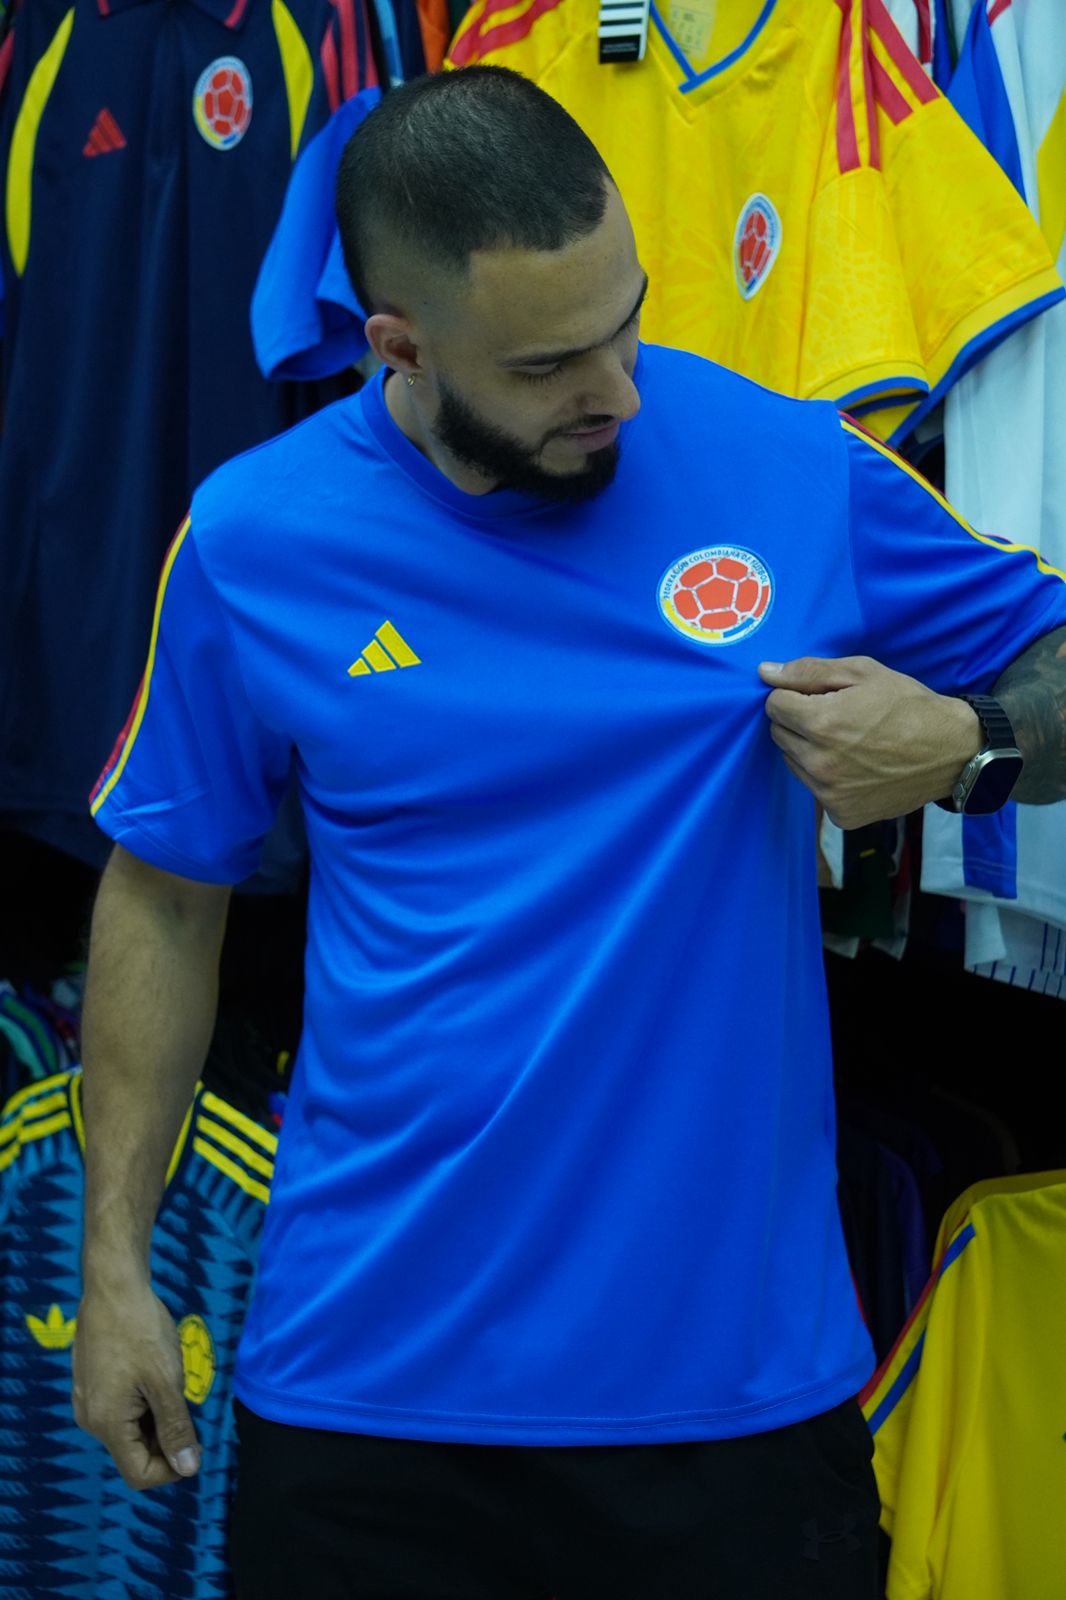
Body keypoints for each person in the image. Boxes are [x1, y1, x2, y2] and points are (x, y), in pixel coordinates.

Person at [72, 65, 1066, 1600]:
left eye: (626, 321)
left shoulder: (782, 464)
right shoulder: (254, 537)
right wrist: (116, 1263)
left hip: (733, 1409)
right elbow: (163, 900)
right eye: (550, 366)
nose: (620, 390)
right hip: (364, 1403)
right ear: (395, 346)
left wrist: (969, 741)